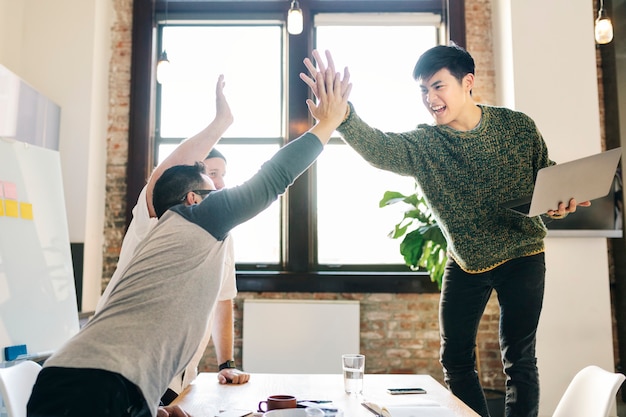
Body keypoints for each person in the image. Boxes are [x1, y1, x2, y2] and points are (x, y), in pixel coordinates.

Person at [26, 68, 351, 417]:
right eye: (212, 189)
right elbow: (273, 178)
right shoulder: (197, 218)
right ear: (194, 199)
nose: (222, 194)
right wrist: (327, 124)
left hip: (79, 379)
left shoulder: (168, 238)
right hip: (97, 384)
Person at [300, 46, 589, 417]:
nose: (430, 99)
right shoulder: (425, 145)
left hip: (523, 254)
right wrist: (344, 115)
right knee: (455, 359)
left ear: (467, 83)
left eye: (438, 86)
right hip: (466, 259)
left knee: (519, 358)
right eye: (423, 90)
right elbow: (379, 148)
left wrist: (560, 204)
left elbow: (545, 178)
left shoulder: (518, 127)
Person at [95, 76, 249, 405]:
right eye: (211, 173)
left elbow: (223, 298)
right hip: (120, 371)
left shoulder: (222, 233)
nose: (219, 183)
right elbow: (162, 176)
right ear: (190, 189)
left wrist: (227, 364)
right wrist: (221, 123)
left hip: (176, 379)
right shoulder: (155, 218)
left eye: (223, 173)